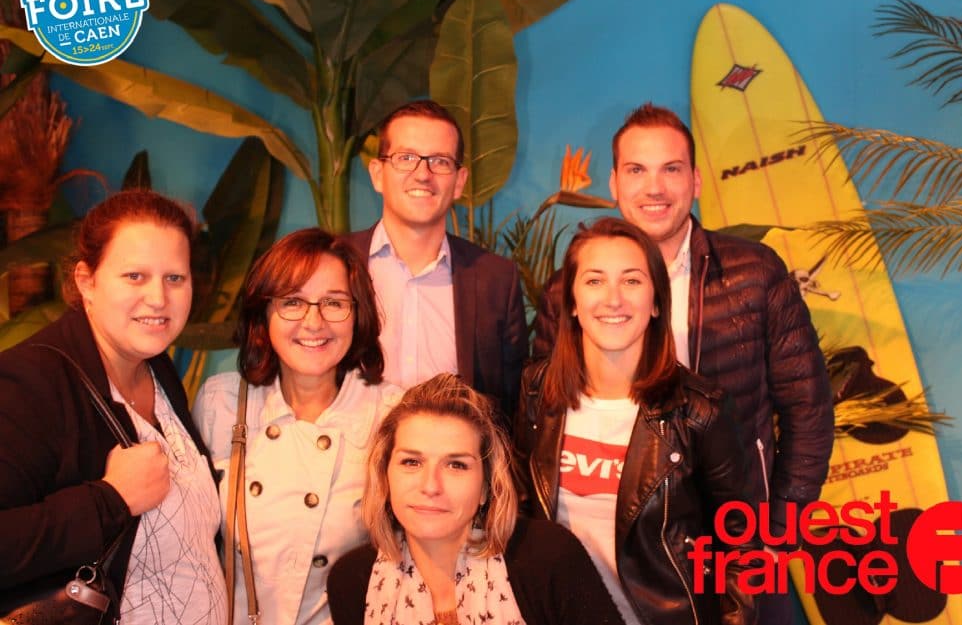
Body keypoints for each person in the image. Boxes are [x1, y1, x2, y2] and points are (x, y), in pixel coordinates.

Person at [531, 104, 833, 623]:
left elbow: (809, 409)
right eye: (636, 170)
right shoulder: (567, 289)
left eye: (671, 169)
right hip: (614, 546)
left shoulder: (754, 274)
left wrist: (777, 536)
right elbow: (544, 415)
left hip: (737, 543)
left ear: (694, 181)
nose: (654, 188)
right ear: (614, 182)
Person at [517, 217, 759, 625]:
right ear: (573, 302)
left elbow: (742, 546)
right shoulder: (538, 393)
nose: (613, 299)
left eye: (631, 281)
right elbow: (519, 518)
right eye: (595, 281)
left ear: (657, 301)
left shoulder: (700, 411)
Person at [0, 189, 226, 623]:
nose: (159, 298)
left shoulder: (157, 368)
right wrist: (110, 499)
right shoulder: (30, 383)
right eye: (134, 277)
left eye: (174, 278)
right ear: (87, 281)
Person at [193, 228, 402, 625]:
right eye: (292, 302)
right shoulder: (221, 403)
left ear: (358, 314)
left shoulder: (389, 412)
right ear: (264, 314)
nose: (313, 321)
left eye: (334, 302)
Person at [327, 373, 625, 625]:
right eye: (411, 462)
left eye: (456, 465)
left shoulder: (547, 560)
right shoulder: (353, 581)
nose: (431, 486)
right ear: (384, 475)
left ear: (486, 486)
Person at [345, 99, 528, 421]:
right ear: (377, 173)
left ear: (459, 181)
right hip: (345, 467)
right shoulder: (333, 263)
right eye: (406, 158)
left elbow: (509, 407)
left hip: (449, 467)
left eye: (440, 162)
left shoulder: (496, 280)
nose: (422, 174)